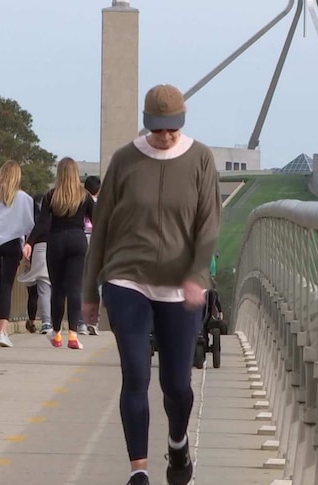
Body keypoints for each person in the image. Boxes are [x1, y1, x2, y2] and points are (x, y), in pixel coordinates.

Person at [82, 84, 221, 485]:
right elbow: (102, 227)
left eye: (171, 129)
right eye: (158, 129)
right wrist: (90, 293)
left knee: (177, 384)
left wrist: (197, 275)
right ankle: (138, 471)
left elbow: (209, 224)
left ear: (182, 122)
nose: (164, 137)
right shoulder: (125, 160)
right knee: (136, 374)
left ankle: (178, 445)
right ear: (147, 124)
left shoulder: (200, 158)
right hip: (128, 279)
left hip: (180, 287)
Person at [24, 157, 95, 350]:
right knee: (74, 289)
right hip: (78, 242)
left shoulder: (50, 196)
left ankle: (56, 334)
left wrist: (29, 242)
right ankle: (73, 334)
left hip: (55, 242)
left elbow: (43, 224)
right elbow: (97, 220)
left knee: (58, 290)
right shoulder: (85, 196)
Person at [0, 160, 34, 347]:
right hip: (12, 244)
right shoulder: (23, 198)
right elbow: (29, 224)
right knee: (6, 286)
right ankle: (3, 331)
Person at [18, 192, 52, 334]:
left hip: (33, 251)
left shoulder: (29, 218)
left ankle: (33, 321)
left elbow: (23, 236)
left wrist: (26, 258)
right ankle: (49, 321)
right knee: (48, 287)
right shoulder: (50, 218)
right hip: (51, 248)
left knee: (33, 292)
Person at [78, 175, 102, 336]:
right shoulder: (101, 205)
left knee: (80, 283)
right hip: (95, 243)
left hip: (80, 240)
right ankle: (93, 321)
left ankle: (81, 322)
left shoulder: (78, 201)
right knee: (96, 283)